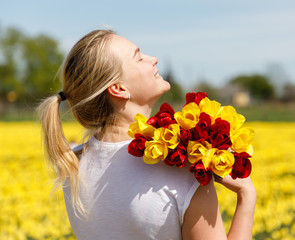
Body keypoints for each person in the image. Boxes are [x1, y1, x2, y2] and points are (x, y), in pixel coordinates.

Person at [38, 29, 256, 240]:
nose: (153, 59)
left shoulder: (72, 165)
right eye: (139, 58)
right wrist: (246, 195)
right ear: (119, 88)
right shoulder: (183, 170)